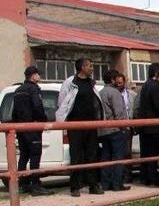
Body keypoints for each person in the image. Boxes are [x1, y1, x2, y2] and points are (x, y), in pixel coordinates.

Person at [57, 58, 104, 197]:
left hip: (91, 125)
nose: (92, 68)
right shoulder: (70, 82)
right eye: (90, 66)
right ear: (82, 67)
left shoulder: (91, 83)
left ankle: (93, 185)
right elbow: (62, 102)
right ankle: (75, 187)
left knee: (92, 155)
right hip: (75, 125)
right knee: (76, 156)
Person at [11, 66, 51, 195]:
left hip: (20, 128)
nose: (39, 77)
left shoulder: (17, 90)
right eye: (38, 74)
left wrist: (17, 126)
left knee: (23, 155)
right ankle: (36, 185)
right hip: (32, 126)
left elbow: (14, 112)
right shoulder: (33, 89)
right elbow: (37, 106)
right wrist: (43, 119)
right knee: (35, 155)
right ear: (33, 76)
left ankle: (23, 184)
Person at [98, 70, 130, 191]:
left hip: (103, 130)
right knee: (118, 157)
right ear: (112, 80)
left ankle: (105, 184)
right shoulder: (114, 92)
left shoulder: (100, 92)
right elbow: (119, 113)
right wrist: (124, 127)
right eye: (116, 78)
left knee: (106, 156)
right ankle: (117, 184)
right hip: (115, 129)